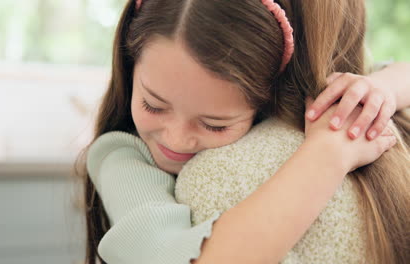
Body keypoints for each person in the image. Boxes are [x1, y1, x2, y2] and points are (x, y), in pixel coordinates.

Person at [76, 0, 410, 263]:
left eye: (214, 124)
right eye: (153, 105)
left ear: (265, 100)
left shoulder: (276, 115)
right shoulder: (119, 157)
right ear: (131, 67)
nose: (176, 139)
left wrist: (379, 89)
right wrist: (329, 154)